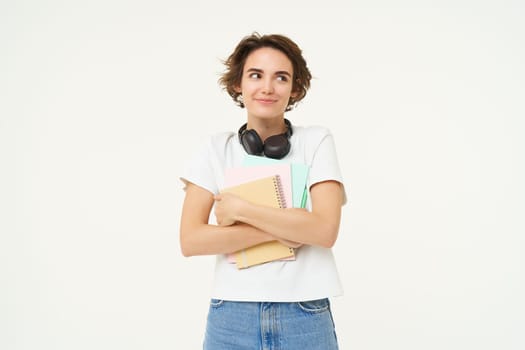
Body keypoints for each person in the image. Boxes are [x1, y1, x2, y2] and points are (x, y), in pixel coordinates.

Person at [179, 32, 346, 350]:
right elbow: (191, 240)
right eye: (256, 75)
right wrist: (291, 228)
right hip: (231, 316)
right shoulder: (215, 149)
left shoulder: (316, 141)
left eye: (281, 77)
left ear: (295, 88)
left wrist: (240, 211)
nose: (268, 87)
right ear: (237, 84)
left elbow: (324, 231)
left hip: (305, 313)